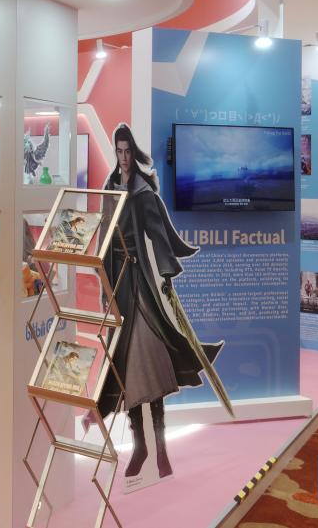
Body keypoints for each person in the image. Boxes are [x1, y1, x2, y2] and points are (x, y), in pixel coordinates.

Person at [97, 124, 222, 480]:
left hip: (139, 282)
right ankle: (140, 447)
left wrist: (166, 274)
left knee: (150, 361)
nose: (123, 157)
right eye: (119, 151)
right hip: (117, 282)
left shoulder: (141, 190)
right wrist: (102, 277)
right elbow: (103, 231)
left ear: (132, 151)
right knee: (125, 368)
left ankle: (162, 450)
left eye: (127, 151)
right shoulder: (110, 186)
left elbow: (157, 235)